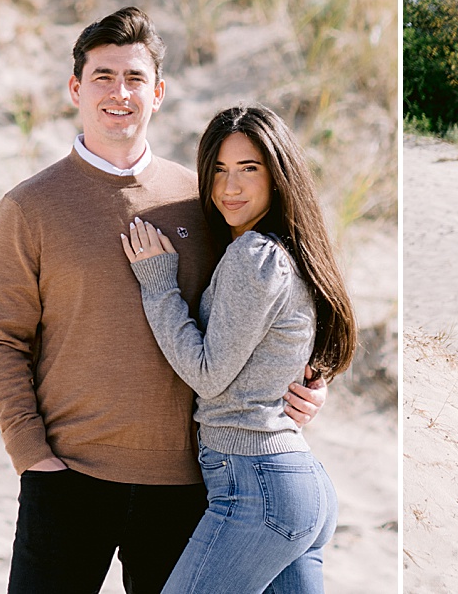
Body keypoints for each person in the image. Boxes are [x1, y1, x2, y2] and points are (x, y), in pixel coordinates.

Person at [0, 7, 326, 592]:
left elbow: (279, 293)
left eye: (135, 78)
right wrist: (31, 455)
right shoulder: (29, 207)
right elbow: (0, 339)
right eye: (103, 77)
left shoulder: (207, 199)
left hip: (188, 485)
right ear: (75, 89)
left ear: (158, 92)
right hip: (68, 478)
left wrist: (307, 378)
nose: (120, 93)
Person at [122, 103, 353, 592]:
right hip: (293, 481)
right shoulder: (287, 251)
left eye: (249, 169)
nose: (230, 188)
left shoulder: (254, 256)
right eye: (220, 170)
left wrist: (159, 283)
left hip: (256, 488)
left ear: (278, 173)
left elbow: (207, 374)